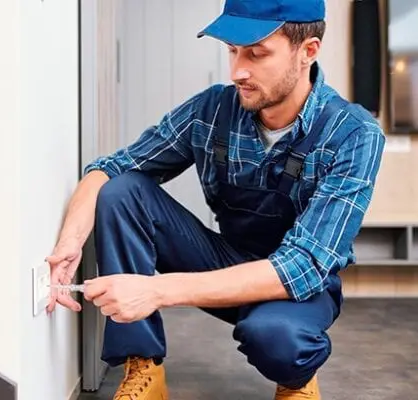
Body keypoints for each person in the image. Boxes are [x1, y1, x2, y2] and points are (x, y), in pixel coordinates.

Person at [46, 0, 386, 399]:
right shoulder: (212, 109)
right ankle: (143, 368)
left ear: (308, 51)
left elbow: (304, 265)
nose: (238, 71)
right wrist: (70, 243)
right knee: (123, 191)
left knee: (277, 337)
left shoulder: (353, 134)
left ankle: (297, 381)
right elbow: (110, 169)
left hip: (297, 289)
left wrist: (155, 291)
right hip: (226, 257)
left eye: (257, 54)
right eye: (232, 51)